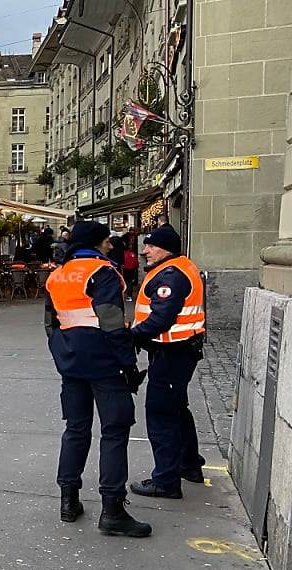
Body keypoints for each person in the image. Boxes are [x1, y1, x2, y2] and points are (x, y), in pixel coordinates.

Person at [44, 220, 151, 538]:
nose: (110, 245)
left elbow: (51, 324)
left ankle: (68, 500)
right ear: (97, 242)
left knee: (76, 429)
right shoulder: (103, 273)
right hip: (105, 363)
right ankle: (113, 510)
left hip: (71, 363)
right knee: (115, 432)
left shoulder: (58, 275)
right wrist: (128, 363)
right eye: (107, 241)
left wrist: (62, 354)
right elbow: (112, 323)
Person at [128, 225, 207, 500]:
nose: (145, 250)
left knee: (162, 414)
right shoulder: (180, 267)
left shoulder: (171, 275)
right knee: (177, 409)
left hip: (172, 352)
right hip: (179, 352)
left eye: (151, 245)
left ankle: (166, 480)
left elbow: (161, 318)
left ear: (167, 248)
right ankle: (189, 464)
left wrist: (131, 335)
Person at [121, 231, 139, 301]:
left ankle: (126, 294)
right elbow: (136, 263)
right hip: (132, 269)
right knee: (130, 282)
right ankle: (129, 295)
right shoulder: (133, 254)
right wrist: (136, 268)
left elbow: (123, 262)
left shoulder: (124, 254)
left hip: (125, 269)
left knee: (126, 281)